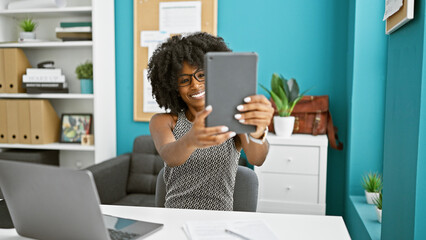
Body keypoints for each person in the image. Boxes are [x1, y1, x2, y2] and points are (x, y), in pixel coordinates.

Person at [148, 32, 274, 211]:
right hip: (175, 216)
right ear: (174, 88)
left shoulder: (233, 118)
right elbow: (170, 157)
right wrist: (192, 138)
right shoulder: (164, 121)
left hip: (220, 219)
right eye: (184, 80)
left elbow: (257, 158)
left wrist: (258, 131)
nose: (196, 85)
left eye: (202, 75)